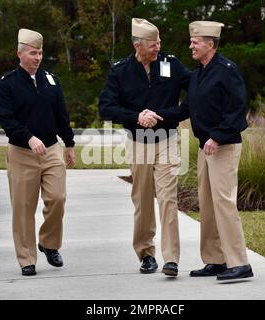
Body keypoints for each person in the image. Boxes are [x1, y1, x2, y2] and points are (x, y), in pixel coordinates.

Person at [158, 21, 253, 281]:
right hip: (206, 148)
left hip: (223, 146)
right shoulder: (198, 74)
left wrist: (217, 137)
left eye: (195, 42)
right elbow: (185, 109)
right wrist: (157, 115)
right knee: (208, 205)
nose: (191, 45)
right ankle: (215, 260)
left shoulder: (227, 70)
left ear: (210, 44)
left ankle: (240, 262)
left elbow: (237, 110)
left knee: (224, 203)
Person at [98, 18, 190, 277]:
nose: (157, 47)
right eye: (153, 43)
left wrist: (176, 113)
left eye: (159, 42)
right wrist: (137, 116)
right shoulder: (121, 70)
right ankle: (146, 254)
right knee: (142, 201)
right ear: (137, 44)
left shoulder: (170, 64)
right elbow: (106, 107)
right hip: (138, 142)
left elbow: (195, 88)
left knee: (168, 199)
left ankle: (171, 258)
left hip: (168, 140)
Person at [0, 28, 76, 276]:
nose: (37, 57)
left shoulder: (51, 80)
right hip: (22, 153)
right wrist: (28, 138)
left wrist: (69, 144)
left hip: (51, 149)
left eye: (40, 53)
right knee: (23, 208)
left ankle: (48, 244)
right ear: (19, 54)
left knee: (57, 199)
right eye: (33, 53)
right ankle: (27, 258)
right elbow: (6, 119)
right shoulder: (7, 84)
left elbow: (61, 115)